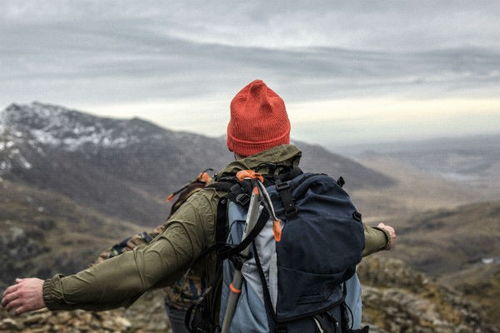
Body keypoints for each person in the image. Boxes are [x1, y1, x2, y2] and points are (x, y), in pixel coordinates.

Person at [1, 80, 396, 331]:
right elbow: (351, 239)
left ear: (232, 142)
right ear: (286, 136)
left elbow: (145, 268)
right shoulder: (312, 192)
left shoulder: (214, 202)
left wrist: (49, 292)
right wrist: (382, 236)